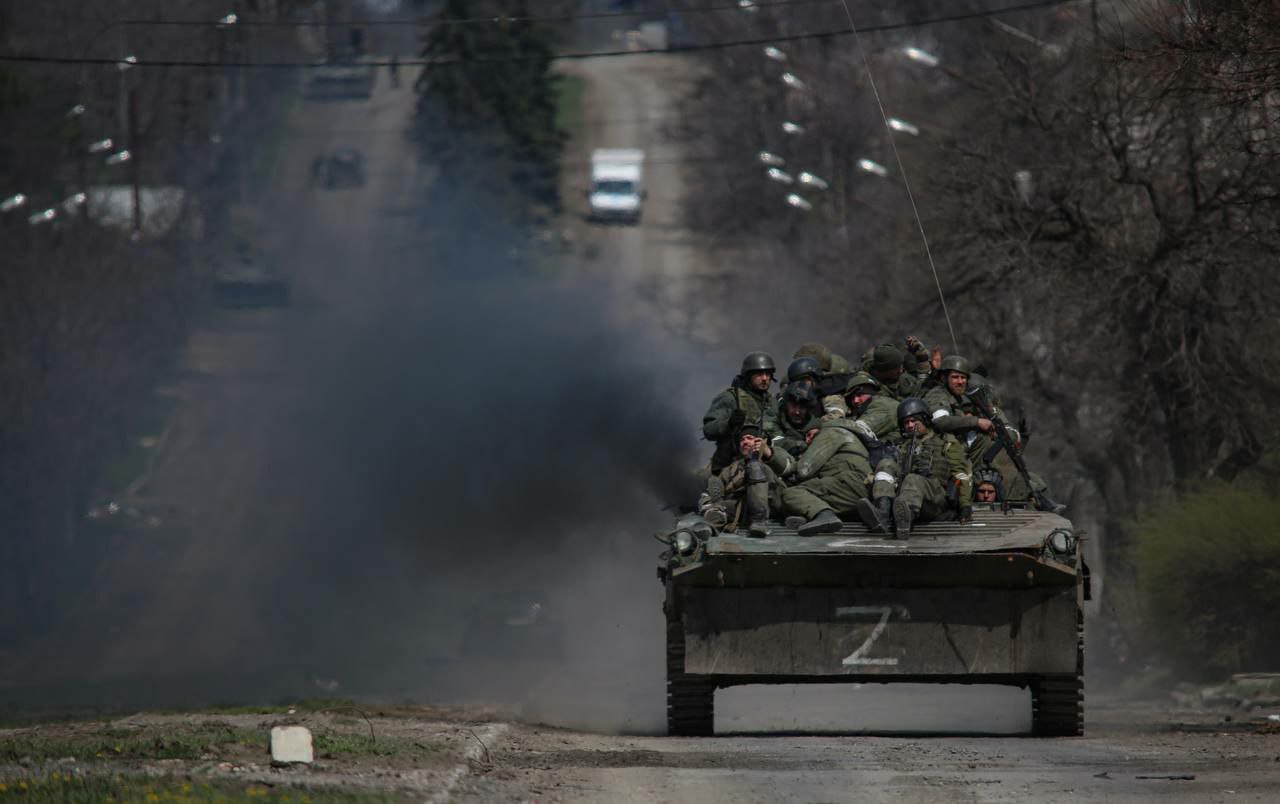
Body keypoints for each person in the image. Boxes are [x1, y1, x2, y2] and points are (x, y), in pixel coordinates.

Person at [856, 397, 973, 538]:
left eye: (914, 421)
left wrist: (965, 506)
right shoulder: (899, 445)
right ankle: (883, 512)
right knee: (885, 463)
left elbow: (960, 474)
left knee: (913, 479)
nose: (910, 425)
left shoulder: (945, 442)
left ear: (924, 419)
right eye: (906, 423)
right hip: (901, 497)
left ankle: (905, 519)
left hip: (934, 499)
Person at [762, 414, 873, 537]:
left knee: (791, 494)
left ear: (820, 429)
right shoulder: (850, 437)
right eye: (806, 437)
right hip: (860, 490)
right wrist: (770, 453)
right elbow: (794, 467)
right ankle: (812, 516)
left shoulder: (830, 432)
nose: (808, 440)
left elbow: (804, 470)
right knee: (802, 500)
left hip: (848, 483)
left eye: (810, 435)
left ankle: (824, 515)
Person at [702, 352, 780, 473]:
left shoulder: (772, 403)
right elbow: (708, 429)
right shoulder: (731, 398)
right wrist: (728, 423)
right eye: (759, 374)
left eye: (768, 374)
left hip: (768, 461)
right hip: (734, 464)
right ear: (748, 376)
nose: (765, 378)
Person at [699, 424, 781, 537]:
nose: (745, 442)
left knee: (755, 467)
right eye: (742, 439)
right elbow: (715, 486)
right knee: (714, 483)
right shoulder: (733, 467)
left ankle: (759, 520)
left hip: (769, 505)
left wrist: (766, 452)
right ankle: (710, 527)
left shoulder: (771, 460)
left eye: (750, 438)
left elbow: (787, 467)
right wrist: (708, 504)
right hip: (741, 507)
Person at [843, 372, 899, 464]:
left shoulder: (882, 405)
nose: (855, 401)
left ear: (870, 392)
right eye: (851, 398)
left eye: (859, 395)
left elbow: (858, 430)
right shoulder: (865, 409)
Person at [772, 383, 821, 458]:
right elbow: (777, 441)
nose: (797, 412)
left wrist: (817, 434)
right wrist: (804, 445)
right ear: (786, 405)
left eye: (802, 407)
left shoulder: (815, 425)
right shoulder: (774, 417)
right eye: (793, 406)